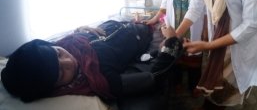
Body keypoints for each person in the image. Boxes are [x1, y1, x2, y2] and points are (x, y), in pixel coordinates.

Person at [1, 20, 182, 103]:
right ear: (54, 88)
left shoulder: (64, 42)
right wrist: (172, 41)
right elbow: (154, 76)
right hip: (143, 34)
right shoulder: (102, 80)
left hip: (123, 23)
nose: (69, 62)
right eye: (61, 73)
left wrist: (80, 29)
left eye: (58, 54)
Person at [144, 0, 204, 96]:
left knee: (193, 56)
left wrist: (207, 30)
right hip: (174, 24)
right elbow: (164, 6)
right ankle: (177, 83)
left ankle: (194, 85)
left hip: (192, 26)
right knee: (174, 56)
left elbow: (203, 7)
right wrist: (153, 19)